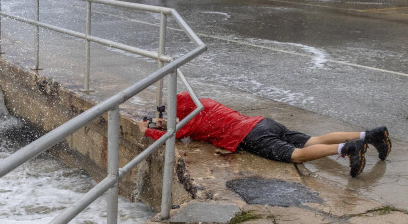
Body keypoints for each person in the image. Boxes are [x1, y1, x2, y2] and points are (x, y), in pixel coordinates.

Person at [138, 93, 391, 178]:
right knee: (313, 139)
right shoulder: (204, 103)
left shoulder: (190, 122)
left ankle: (348, 149)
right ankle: (371, 135)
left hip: (250, 136)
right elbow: (189, 121)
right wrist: (170, 120)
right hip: (263, 123)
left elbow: (171, 135)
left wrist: (146, 129)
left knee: (296, 156)